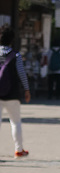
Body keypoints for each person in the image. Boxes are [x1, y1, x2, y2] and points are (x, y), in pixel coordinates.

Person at [0, 27, 30, 157]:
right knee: (15, 122)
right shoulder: (15, 55)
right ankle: (19, 150)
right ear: (12, 40)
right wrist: (27, 89)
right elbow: (22, 74)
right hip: (12, 93)